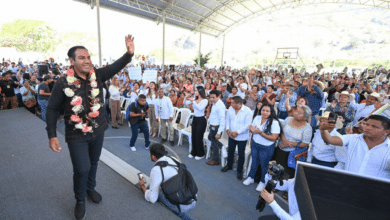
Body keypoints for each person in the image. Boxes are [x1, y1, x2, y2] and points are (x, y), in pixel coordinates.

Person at [45, 35, 135, 220]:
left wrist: (129, 54)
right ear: (72, 61)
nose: (87, 61)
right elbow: (52, 108)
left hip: (98, 129)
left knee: (94, 163)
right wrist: (52, 135)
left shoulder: (98, 75)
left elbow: (115, 66)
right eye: (82, 58)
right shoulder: (63, 83)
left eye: (88, 57)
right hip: (75, 133)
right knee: (82, 168)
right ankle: (80, 200)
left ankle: (90, 189)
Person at [320, 114, 390, 180]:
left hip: (375, 191)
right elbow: (330, 140)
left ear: (386, 132)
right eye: (367, 124)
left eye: (374, 127)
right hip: (347, 185)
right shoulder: (352, 138)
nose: (368, 128)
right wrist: (323, 130)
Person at [138, 143, 197, 220]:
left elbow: (152, 199)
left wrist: (142, 186)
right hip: (192, 197)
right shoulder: (173, 159)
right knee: (153, 187)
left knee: (156, 192)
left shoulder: (156, 170)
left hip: (182, 205)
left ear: (153, 156)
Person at [244, 103, 281, 191]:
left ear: (271, 112)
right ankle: (251, 177)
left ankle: (262, 181)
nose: (265, 112)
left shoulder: (274, 122)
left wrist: (260, 133)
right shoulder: (257, 117)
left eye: (267, 111)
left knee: (264, 165)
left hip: (266, 147)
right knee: (254, 162)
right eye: (263, 110)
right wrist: (251, 129)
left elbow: (273, 138)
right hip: (255, 144)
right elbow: (252, 127)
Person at [276, 105, 312, 178]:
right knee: (278, 168)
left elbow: (305, 143)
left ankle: (285, 187)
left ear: (305, 117)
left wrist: (289, 144)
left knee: (288, 172)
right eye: (296, 111)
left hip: (293, 153)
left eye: (299, 113)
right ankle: (276, 185)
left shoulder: (308, 128)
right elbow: (281, 130)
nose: (296, 113)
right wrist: (284, 140)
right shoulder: (288, 119)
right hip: (281, 147)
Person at [221, 96, 252, 180]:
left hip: (241, 136)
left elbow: (248, 125)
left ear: (239, 104)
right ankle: (229, 165)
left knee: (241, 154)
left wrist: (237, 132)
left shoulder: (248, 111)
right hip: (231, 135)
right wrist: (227, 129)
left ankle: (239, 171)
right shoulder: (231, 109)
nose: (230, 104)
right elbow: (227, 120)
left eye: (232, 103)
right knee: (230, 150)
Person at [186, 86, 208, 160]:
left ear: (200, 91)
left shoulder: (205, 100)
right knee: (193, 136)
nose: (194, 92)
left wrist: (193, 101)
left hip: (201, 120)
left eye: (196, 91)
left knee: (198, 137)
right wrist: (187, 97)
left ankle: (201, 154)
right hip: (195, 119)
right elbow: (185, 102)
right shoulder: (195, 100)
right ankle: (194, 152)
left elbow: (200, 108)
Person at [206, 90, 226, 166]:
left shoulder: (220, 106)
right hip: (212, 126)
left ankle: (216, 160)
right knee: (211, 139)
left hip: (216, 127)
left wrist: (219, 132)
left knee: (214, 143)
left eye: (213, 97)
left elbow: (222, 121)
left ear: (219, 96)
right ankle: (221, 147)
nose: (211, 99)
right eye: (210, 97)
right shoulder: (214, 104)